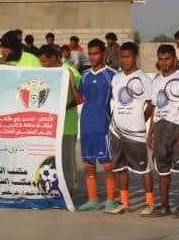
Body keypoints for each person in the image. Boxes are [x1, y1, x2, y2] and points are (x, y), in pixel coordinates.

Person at [107, 42, 154, 215]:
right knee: (120, 167)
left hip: (135, 132)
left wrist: (140, 119)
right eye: (122, 57)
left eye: (128, 57)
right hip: (116, 130)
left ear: (135, 57)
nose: (125, 60)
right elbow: (116, 102)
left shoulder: (144, 79)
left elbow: (151, 105)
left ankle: (149, 203)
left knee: (144, 168)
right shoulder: (116, 78)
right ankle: (124, 202)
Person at [147, 44, 179, 216]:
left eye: (167, 59)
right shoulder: (156, 81)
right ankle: (165, 205)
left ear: (174, 59)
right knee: (162, 168)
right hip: (160, 128)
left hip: (176, 128)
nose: (164, 62)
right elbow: (154, 107)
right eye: (161, 59)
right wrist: (150, 132)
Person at [76, 38, 117, 212]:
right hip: (86, 125)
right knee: (88, 165)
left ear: (103, 53)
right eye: (90, 54)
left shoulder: (112, 75)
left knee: (107, 165)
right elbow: (79, 98)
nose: (92, 57)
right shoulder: (85, 75)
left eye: (96, 53)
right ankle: (93, 200)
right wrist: (69, 82)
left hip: (103, 126)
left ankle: (110, 201)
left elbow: (121, 101)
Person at [39, 43, 82, 197]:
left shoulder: (71, 73)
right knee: (50, 161)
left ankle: (69, 192)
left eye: (44, 61)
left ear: (54, 58)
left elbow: (79, 99)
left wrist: (61, 109)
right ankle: (52, 189)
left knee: (66, 161)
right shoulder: (45, 73)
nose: (42, 65)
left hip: (66, 126)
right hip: (48, 125)